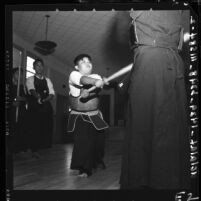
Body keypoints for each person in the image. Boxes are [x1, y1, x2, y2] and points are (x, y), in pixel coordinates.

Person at [120, 10, 190, 190]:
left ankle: (148, 183)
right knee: (170, 126)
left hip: (151, 62)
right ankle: (168, 183)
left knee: (145, 126)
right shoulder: (181, 11)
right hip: (174, 61)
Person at [67, 54, 109, 177]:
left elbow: (96, 91)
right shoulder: (74, 75)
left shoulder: (96, 76)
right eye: (83, 61)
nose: (87, 62)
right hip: (80, 116)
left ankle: (97, 161)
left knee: (99, 143)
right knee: (84, 142)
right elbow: (83, 80)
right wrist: (96, 82)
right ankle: (84, 169)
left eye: (89, 61)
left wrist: (90, 93)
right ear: (76, 66)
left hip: (95, 115)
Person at [26, 59, 55, 158]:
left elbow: (51, 94)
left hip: (46, 106)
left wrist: (45, 100)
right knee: (34, 128)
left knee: (45, 127)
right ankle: (34, 149)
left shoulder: (48, 80)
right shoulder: (30, 79)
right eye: (37, 65)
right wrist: (38, 97)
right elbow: (32, 90)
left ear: (43, 67)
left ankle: (43, 147)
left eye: (41, 65)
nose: (39, 67)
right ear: (34, 67)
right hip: (34, 107)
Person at [11, 67, 29, 156]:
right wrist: (13, 101)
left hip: (21, 111)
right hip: (11, 111)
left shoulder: (22, 86)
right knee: (12, 129)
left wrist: (20, 98)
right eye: (18, 73)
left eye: (21, 74)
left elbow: (26, 99)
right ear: (13, 74)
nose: (20, 75)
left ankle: (20, 148)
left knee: (21, 129)